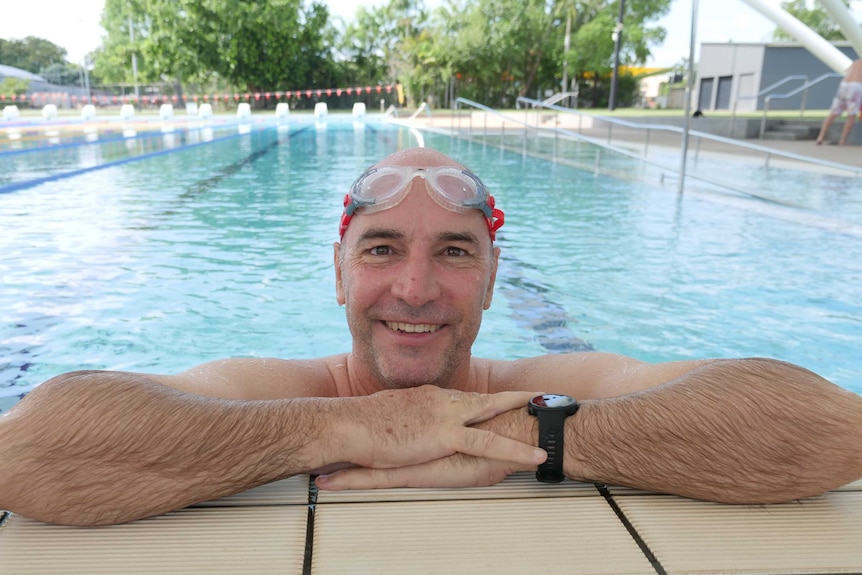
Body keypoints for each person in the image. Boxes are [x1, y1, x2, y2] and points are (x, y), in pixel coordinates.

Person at [1, 147, 860, 527]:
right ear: (339, 271)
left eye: (454, 251)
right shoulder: (277, 388)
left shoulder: (545, 380)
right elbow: (27, 451)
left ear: (492, 277)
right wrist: (341, 427)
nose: (415, 289)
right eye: (382, 249)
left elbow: (831, 430)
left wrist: (535, 434)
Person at [816, 59, 862, 145]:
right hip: (856, 86)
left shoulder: (856, 62)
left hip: (844, 85)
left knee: (833, 113)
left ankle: (820, 137)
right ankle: (843, 140)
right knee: (851, 115)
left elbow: (847, 71)